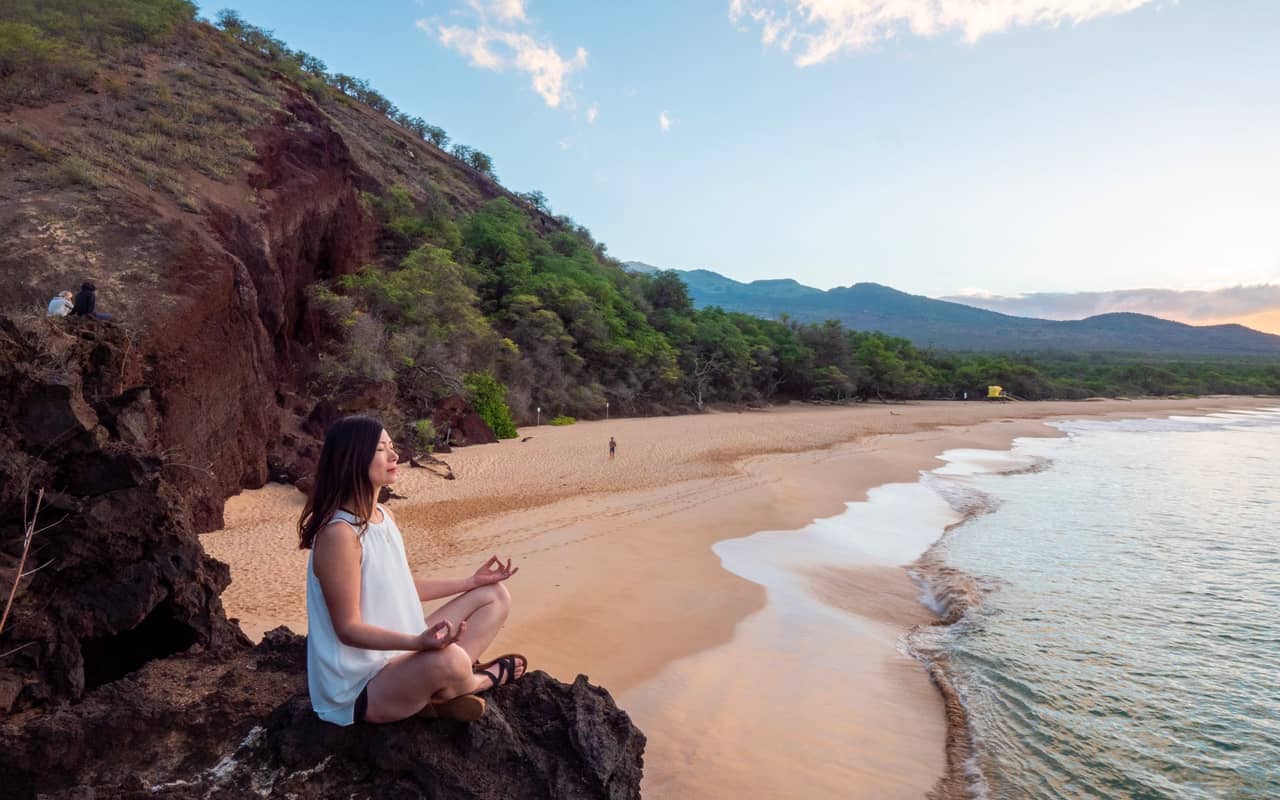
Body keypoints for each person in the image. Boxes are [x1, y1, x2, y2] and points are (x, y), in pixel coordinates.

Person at [299, 415, 527, 725]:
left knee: (494, 595)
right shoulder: (339, 535)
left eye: (392, 447)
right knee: (453, 659)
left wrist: (471, 582)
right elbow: (348, 630)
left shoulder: (383, 515)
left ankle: (436, 689)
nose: (395, 456)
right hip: (359, 688)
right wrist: (419, 644)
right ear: (353, 458)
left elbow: (401, 586)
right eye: (381, 449)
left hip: (398, 656)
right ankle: (478, 681)